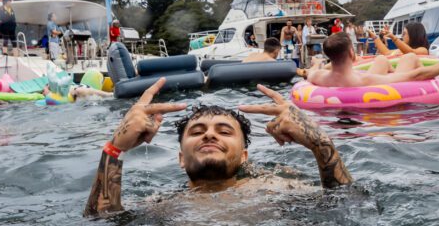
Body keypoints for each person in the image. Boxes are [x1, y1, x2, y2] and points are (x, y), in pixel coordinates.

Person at [83, 78, 352, 216]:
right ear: (180, 158)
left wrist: (319, 142)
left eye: (224, 131)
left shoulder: (277, 189)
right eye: (197, 132)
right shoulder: (162, 206)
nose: (209, 135)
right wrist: (114, 149)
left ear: (245, 156)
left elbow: (349, 207)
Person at [307, 33, 439, 89]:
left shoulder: (319, 77)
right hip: (369, 92)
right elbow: (415, 76)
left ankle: (390, 68)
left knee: (381, 59)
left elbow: (311, 72)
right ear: (352, 53)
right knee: (409, 57)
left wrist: (316, 62)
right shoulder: (364, 80)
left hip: (343, 82)